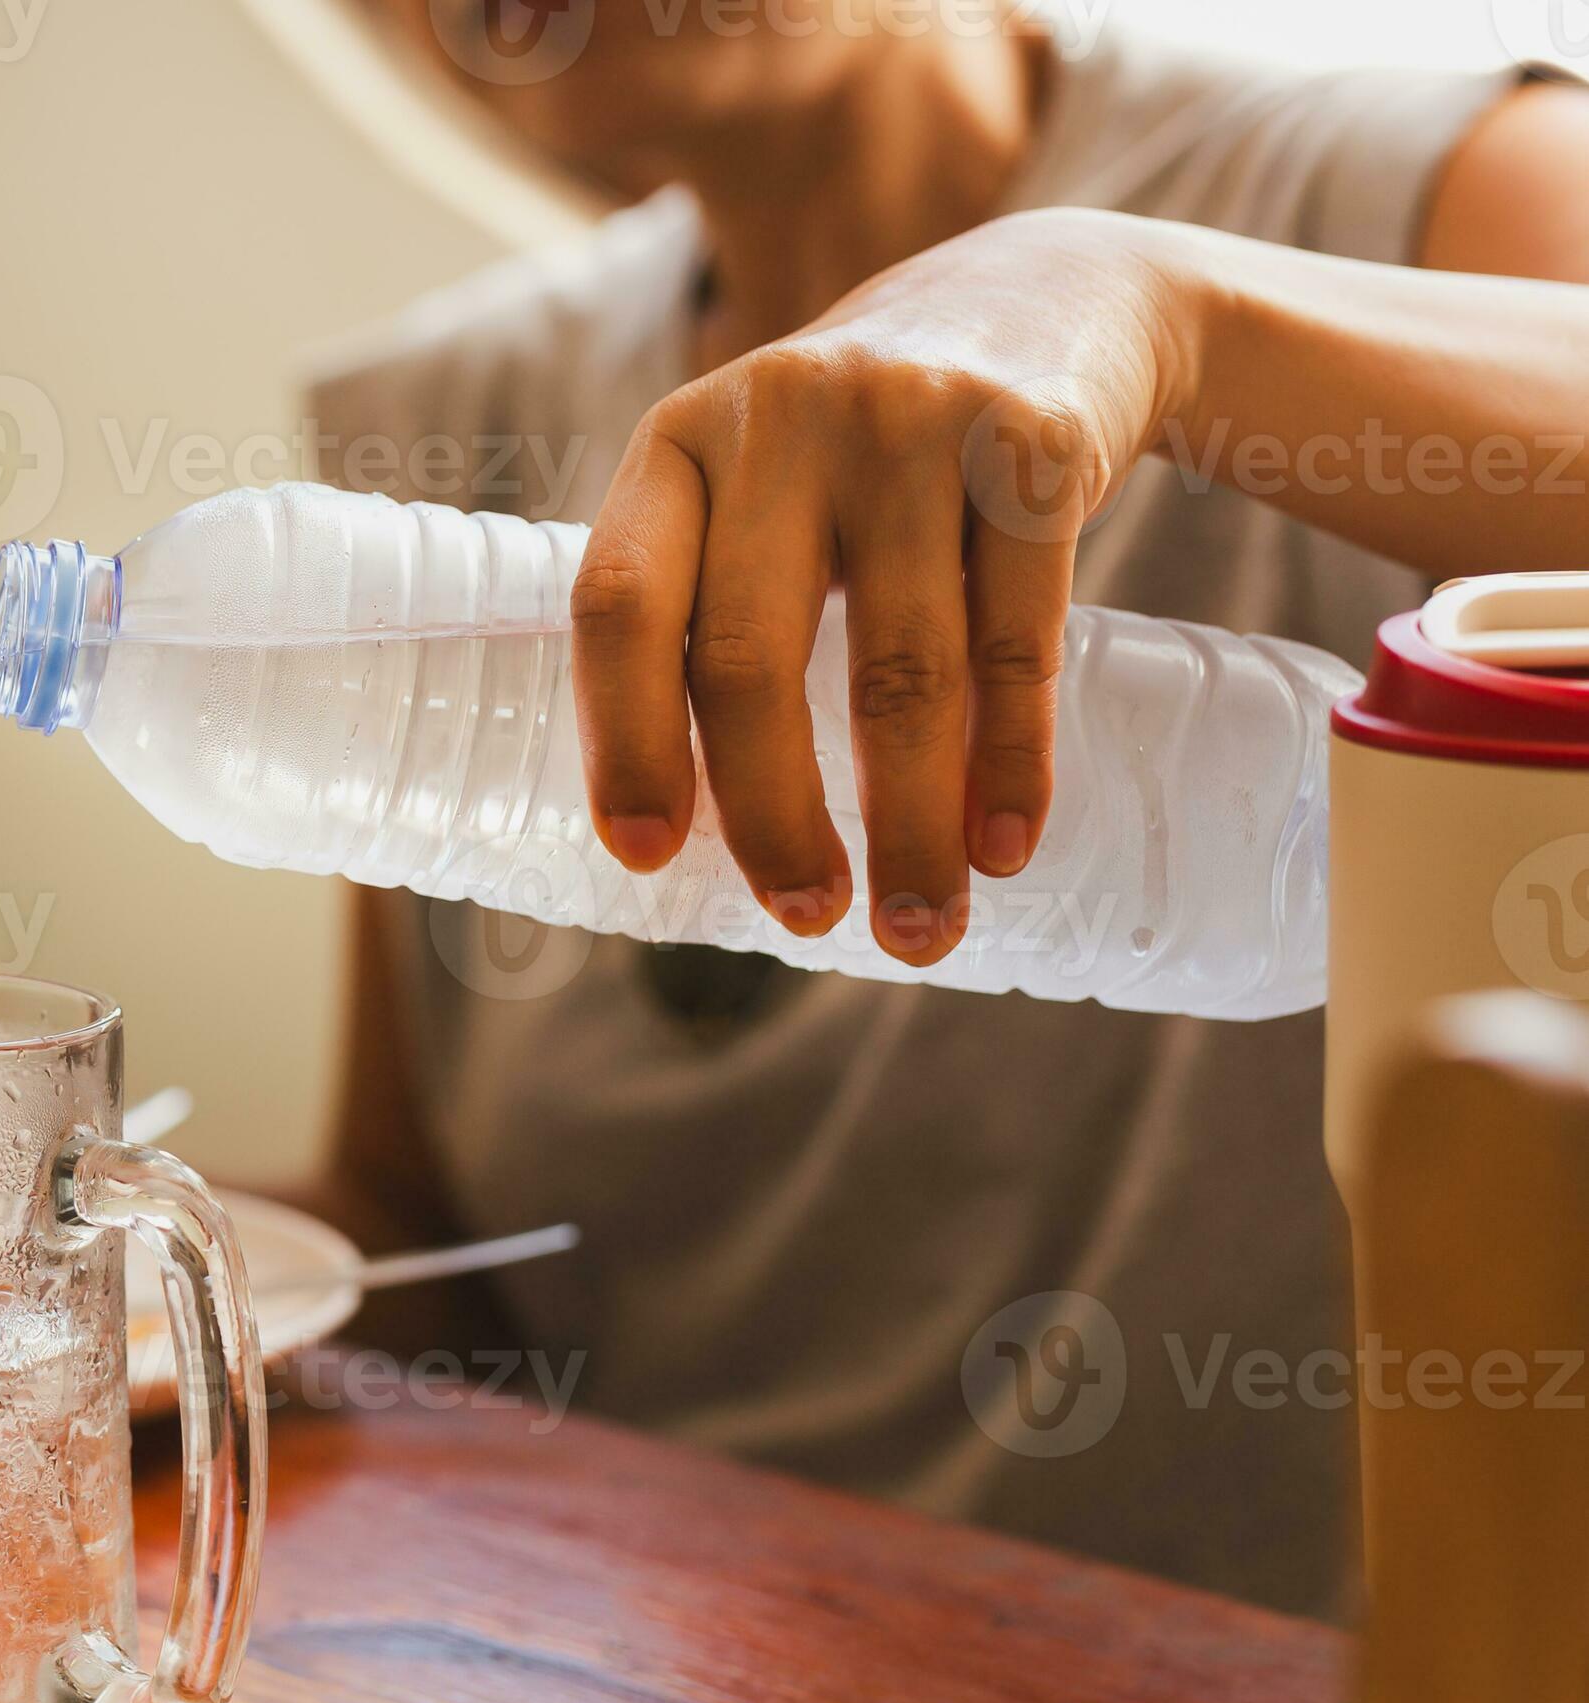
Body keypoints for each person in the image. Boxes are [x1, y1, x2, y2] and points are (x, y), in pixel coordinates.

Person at [292, 1, 1589, 1618]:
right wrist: (50, 1261)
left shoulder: (1411, 196)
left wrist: (1156, 310)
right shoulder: (440, 420)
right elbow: (426, 1251)